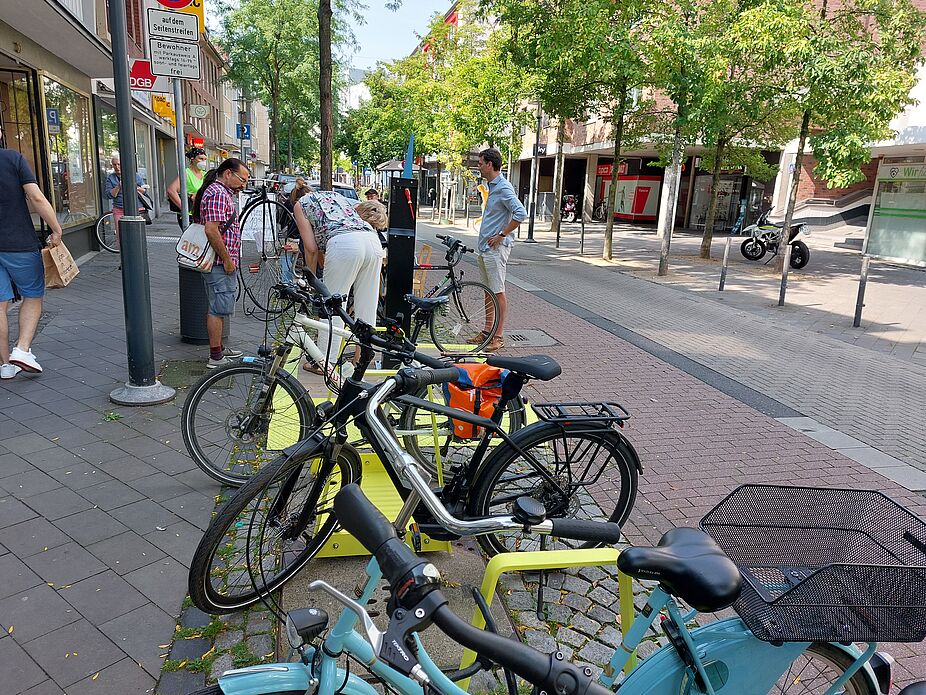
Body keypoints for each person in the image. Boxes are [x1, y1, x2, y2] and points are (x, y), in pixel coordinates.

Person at [294, 189, 385, 376]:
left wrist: (310, 281)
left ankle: (325, 363)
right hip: (372, 242)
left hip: (344, 243)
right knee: (367, 306)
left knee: (334, 307)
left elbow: (311, 249)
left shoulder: (300, 205)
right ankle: (361, 359)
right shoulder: (338, 198)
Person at [0, 125, 64, 378]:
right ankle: (22, 349)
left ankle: (5, 365)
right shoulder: (12, 158)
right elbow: (37, 199)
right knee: (32, 295)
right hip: (18, 242)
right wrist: (56, 229)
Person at [192, 158, 250, 368]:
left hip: (220, 261)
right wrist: (226, 259)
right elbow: (211, 229)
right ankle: (215, 357)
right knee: (218, 308)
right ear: (228, 174)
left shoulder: (219, 192)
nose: (243, 185)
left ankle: (219, 350)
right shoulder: (217, 194)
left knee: (220, 305)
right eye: (241, 180)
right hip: (218, 262)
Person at [474, 148, 527, 352]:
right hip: (485, 248)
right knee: (489, 291)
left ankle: (498, 336)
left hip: (496, 249)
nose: (478, 166)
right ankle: (487, 332)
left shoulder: (504, 188)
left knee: (498, 291)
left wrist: (502, 235)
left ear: (490, 164)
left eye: (480, 163)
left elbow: (520, 213)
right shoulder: (491, 186)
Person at [104, 155, 146, 236]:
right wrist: (119, 186)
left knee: (136, 234)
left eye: (119, 164)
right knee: (120, 235)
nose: (117, 167)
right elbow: (110, 195)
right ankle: (121, 248)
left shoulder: (134, 175)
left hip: (135, 208)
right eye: (114, 165)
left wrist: (135, 187)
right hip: (119, 208)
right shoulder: (111, 178)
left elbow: (144, 191)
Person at [167, 146, 208, 228]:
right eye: (200, 159)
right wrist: (184, 209)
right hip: (190, 215)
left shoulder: (204, 174)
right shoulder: (186, 173)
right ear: (192, 159)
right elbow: (171, 190)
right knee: (191, 239)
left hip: (201, 213)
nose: (203, 162)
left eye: (205, 159)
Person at [280, 179, 312, 283]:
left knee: (286, 261)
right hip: (305, 240)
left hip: (291, 238)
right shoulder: (309, 207)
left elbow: (282, 221)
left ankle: (287, 283)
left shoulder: (290, 204)